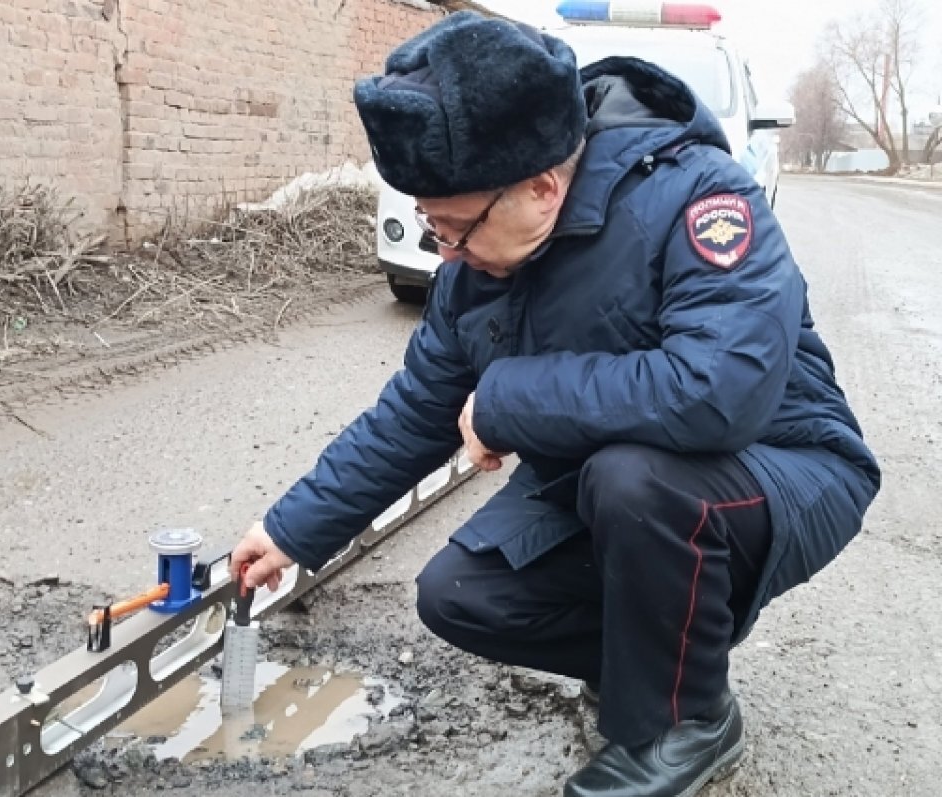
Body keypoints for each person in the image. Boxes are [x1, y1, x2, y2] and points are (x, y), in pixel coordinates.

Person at [228, 11, 880, 797]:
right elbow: (414, 410)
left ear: (540, 188)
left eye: (454, 227)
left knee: (631, 479)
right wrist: (291, 529)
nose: (444, 250)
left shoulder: (698, 199)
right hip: (619, 476)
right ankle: (656, 659)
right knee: (460, 593)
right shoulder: (475, 271)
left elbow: (721, 393)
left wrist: (507, 396)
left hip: (778, 463)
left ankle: (688, 719)